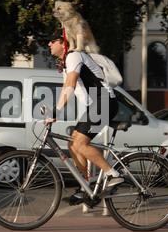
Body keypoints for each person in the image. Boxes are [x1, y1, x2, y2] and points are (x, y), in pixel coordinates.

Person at [46, 29, 123, 205]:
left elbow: (71, 84)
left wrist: (56, 112)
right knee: (73, 143)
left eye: (52, 41)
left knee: (81, 143)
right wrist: (55, 110)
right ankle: (84, 187)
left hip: (104, 102)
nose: (49, 44)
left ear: (63, 42)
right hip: (96, 105)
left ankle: (113, 175)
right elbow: (67, 88)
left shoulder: (74, 56)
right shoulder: (66, 61)